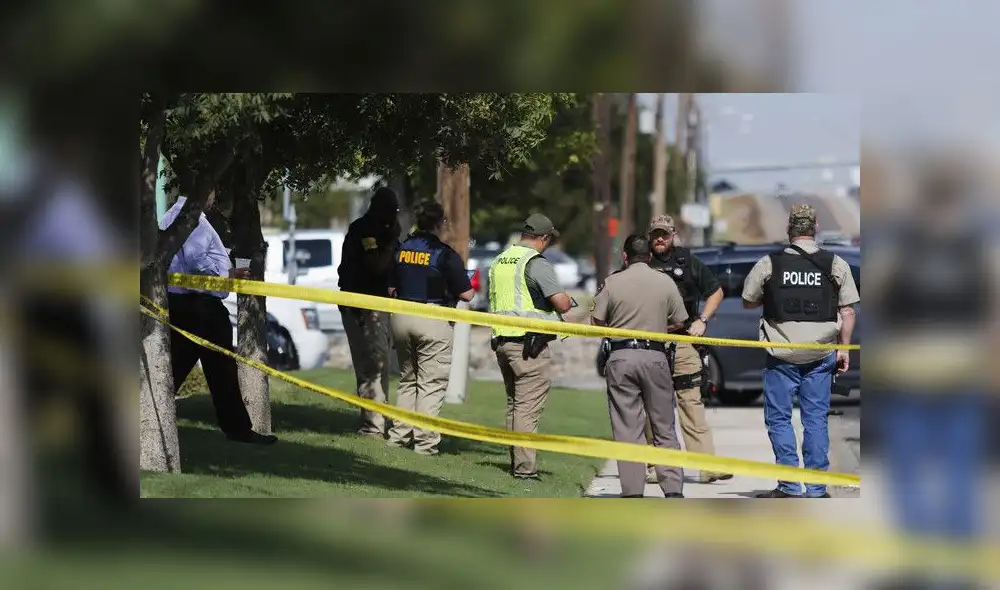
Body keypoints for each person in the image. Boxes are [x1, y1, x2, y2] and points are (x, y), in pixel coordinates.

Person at [741, 204, 859, 498]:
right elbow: (848, 312)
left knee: (780, 419)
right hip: (820, 355)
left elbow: (747, 300)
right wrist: (844, 350)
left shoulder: (769, 263)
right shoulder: (836, 264)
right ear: (816, 227)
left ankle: (790, 485)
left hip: (781, 356)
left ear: (788, 229)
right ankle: (817, 488)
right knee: (815, 420)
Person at [161, 192, 276, 445]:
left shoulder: (176, 216)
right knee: (219, 368)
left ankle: (237, 429)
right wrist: (228, 271)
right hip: (200, 306)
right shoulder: (191, 219)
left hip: (186, 305)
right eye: (211, 190)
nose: (214, 196)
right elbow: (196, 262)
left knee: (181, 369)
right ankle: (238, 430)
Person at [592, 234, 689, 498]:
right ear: (649, 256)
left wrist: (617, 329)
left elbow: (596, 320)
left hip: (621, 356)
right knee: (664, 426)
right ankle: (673, 491)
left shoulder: (612, 283)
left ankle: (633, 493)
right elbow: (681, 321)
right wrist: (658, 326)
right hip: (655, 356)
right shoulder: (665, 282)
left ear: (624, 257)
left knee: (627, 429)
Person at [645, 214, 730, 484]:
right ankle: (653, 466)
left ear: (673, 235)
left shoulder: (688, 261)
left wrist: (702, 320)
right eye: (655, 234)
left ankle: (706, 466)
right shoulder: (641, 261)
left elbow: (716, 292)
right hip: (650, 343)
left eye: (665, 234)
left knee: (691, 403)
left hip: (683, 343)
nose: (660, 239)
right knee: (652, 406)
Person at [488, 213, 573, 480]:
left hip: (502, 341)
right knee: (527, 409)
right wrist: (569, 299)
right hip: (529, 346)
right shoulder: (535, 262)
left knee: (515, 405)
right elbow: (561, 303)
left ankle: (516, 462)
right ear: (544, 238)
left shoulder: (500, 259)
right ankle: (525, 469)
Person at [386, 200, 474, 456]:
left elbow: (391, 288)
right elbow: (467, 295)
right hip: (433, 319)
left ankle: (398, 436)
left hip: (401, 317)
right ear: (439, 224)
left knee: (407, 380)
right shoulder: (445, 254)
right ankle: (425, 444)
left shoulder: (401, 249)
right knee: (430, 383)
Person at [337, 186, 401, 438]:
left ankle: (376, 421)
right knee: (372, 366)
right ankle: (373, 426)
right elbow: (376, 266)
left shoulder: (373, 229)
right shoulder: (365, 230)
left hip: (368, 305)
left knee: (375, 365)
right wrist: (393, 242)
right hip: (364, 307)